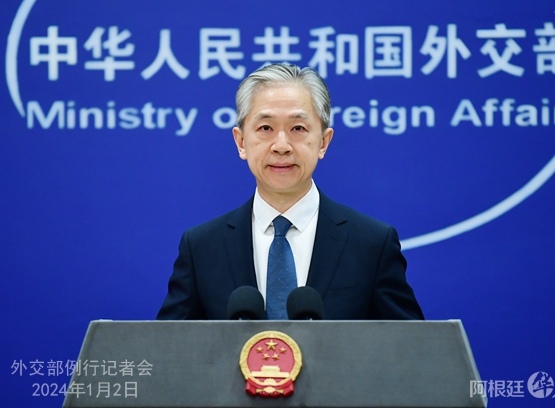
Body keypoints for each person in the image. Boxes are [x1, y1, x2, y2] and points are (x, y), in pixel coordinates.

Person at [157, 64, 423, 320]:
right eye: (265, 128)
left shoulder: (371, 244)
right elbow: (169, 345)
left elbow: (409, 345)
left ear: (323, 142)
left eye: (298, 128)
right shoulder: (202, 248)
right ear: (241, 142)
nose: (281, 145)